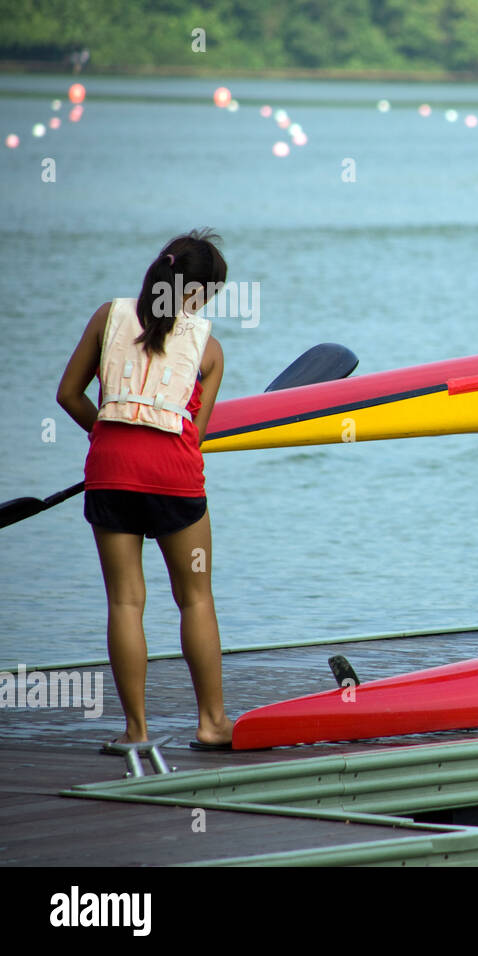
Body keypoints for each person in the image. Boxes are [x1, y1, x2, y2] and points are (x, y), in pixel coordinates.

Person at [57, 230, 235, 749]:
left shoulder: (106, 316)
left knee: (126, 603)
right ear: (199, 293)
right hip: (174, 479)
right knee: (195, 599)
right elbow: (194, 434)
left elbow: (69, 394)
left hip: (110, 472)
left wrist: (107, 434)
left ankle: (135, 731)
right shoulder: (209, 346)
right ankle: (212, 723)